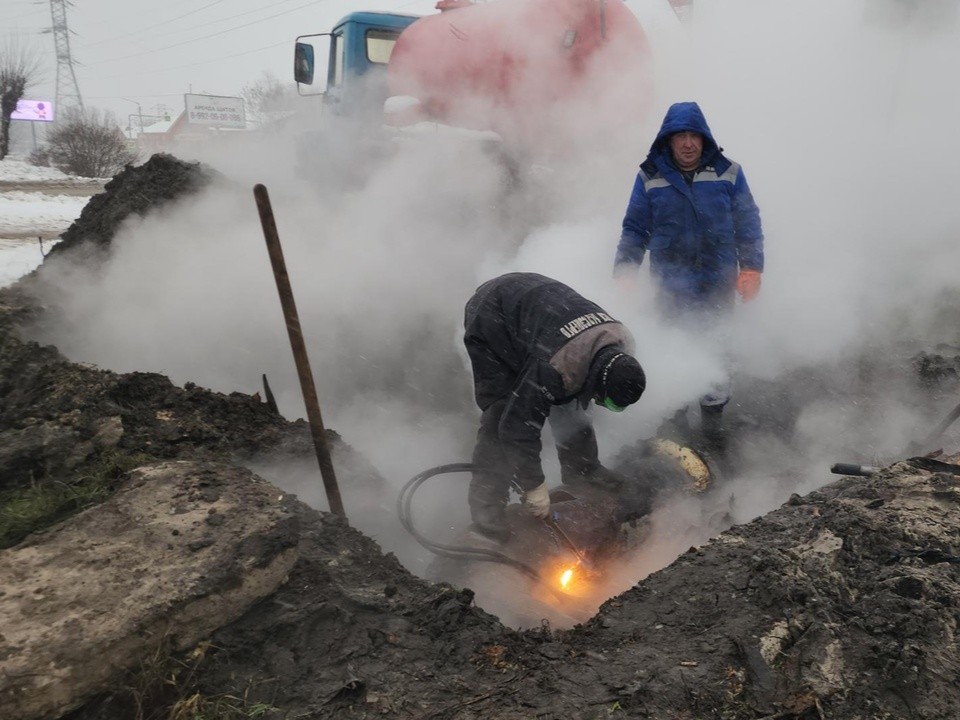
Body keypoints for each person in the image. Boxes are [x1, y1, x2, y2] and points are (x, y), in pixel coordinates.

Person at [613, 101, 764, 437]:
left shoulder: (729, 172)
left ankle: (712, 427)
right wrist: (626, 267)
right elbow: (635, 228)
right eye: (679, 135)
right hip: (671, 284)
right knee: (673, 347)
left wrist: (752, 267)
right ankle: (678, 422)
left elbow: (748, 223)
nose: (687, 143)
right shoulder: (650, 176)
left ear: (704, 138)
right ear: (667, 140)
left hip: (718, 281)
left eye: (693, 135)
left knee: (717, 346)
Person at [463, 272, 647, 541]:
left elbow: (578, 394)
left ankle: (582, 470)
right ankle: (487, 509)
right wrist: (534, 486)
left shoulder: (621, 342)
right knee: (501, 413)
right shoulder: (556, 367)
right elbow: (517, 429)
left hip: (538, 306)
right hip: (493, 316)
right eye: (606, 400)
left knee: (572, 397)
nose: (601, 405)